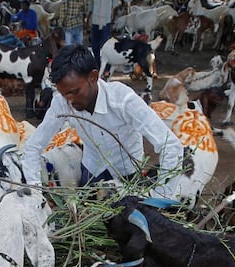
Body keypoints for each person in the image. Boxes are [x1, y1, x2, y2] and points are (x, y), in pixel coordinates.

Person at [21, 45, 183, 188]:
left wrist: (161, 194)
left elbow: (171, 146)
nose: (69, 100)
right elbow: (33, 147)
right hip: (92, 171)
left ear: (93, 77)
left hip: (127, 174)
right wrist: (35, 191)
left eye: (75, 92)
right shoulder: (61, 102)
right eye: (64, 94)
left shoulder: (123, 100)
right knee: (87, 215)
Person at [89, 0, 118, 66]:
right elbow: (90, 6)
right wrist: (88, 19)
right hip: (95, 21)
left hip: (106, 21)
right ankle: (97, 63)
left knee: (105, 44)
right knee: (95, 45)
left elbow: (115, 5)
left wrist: (112, 17)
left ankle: (107, 66)